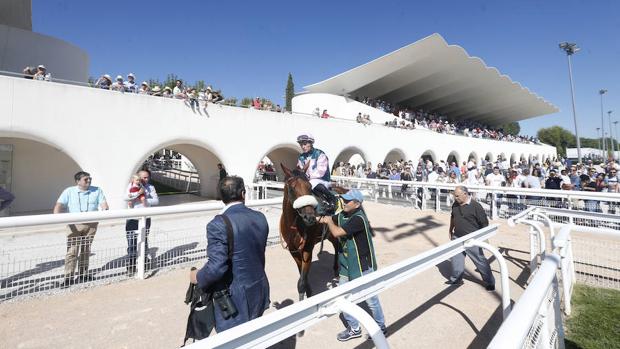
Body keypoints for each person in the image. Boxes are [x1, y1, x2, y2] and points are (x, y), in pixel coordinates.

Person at [189, 176, 270, 332]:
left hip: (234, 298)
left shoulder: (217, 224)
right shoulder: (260, 217)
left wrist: (197, 276)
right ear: (243, 193)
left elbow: (216, 268)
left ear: (221, 196)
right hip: (259, 288)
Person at [317, 189, 387, 341]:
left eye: (347, 200)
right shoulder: (343, 214)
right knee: (342, 298)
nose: (344, 202)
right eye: (343, 199)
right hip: (346, 264)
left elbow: (336, 233)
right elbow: (323, 219)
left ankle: (380, 326)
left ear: (357, 204)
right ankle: (354, 328)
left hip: (362, 264)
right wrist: (312, 212)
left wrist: (329, 221)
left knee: (371, 299)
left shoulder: (359, 219)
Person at [53, 171, 109, 286]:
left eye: (90, 179)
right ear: (77, 181)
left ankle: (83, 275)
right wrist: (56, 217)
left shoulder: (97, 190)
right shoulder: (69, 191)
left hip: (91, 225)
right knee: (72, 251)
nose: (89, 181)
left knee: (86, 250)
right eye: (86, 179)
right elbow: (59, 205)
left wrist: (105, 210)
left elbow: (104, 205)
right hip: (74, 224)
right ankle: (68, 277)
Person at [445, 186, 496, 291]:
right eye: (455, 196)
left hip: (472, 238)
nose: (455, 198)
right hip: (457, 236)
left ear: (465, 194)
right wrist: (450, 229)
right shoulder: (455, 204)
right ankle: (456, 279)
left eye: (458, 196)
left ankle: (490, 282)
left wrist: (482, 237)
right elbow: (453, 217)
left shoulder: (476, 206)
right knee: (456, 259)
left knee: (479, 260)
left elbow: (484, 223)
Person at [124, 170, 159, 275]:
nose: (145, 180)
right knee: (132, 242)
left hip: (146, 218)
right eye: (143, 177)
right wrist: (138, 194)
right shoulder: (130, 186)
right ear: (137, 177)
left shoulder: (150, 187)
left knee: (144, 240)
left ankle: (143, 263)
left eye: (147, 177)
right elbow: (125, 198)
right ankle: (131, 265)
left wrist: (144, 199)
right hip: (132, 219)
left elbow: (156, 201)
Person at [296, 133, 336, 214]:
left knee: (312, 183)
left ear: (311, 143)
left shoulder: (320, 154)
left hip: (322, 180)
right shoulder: (301, 157)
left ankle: (331, 199)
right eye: (301, 145)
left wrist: (307, 177)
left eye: (305, 144)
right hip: (308, 180)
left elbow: (321, 172)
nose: (303, 146)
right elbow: (300, 170)